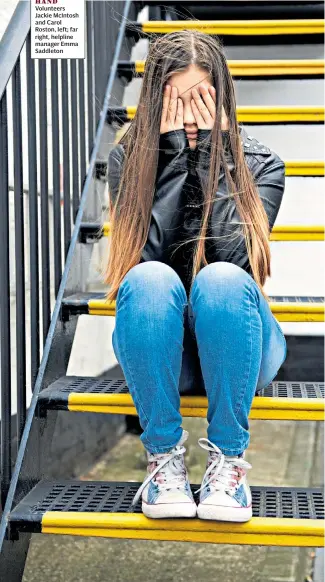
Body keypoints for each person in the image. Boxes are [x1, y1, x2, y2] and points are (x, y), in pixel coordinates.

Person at [105, 30, 287, 522]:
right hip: (164, 349)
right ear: (154, 101)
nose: (189, 117)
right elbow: (146, 262)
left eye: (201, 99)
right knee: (148, 280)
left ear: (222, 98)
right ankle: (163, 459)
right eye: (177, 101)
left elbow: (238, 261)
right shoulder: (129, 161)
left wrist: (211, 158)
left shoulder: (261, 164)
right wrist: (169, 165)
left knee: (223, 279)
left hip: (241, 346)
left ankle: (228, 463)